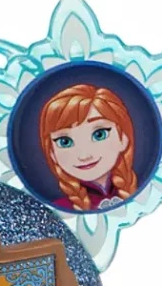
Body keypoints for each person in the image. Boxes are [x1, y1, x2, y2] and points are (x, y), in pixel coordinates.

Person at [39, 84, 138, 212]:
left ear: (123, 138)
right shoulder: (59, 211)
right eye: (65, 142)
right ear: (52, 153)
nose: (84, 156)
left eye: (99, 134)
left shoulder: (145, 193)